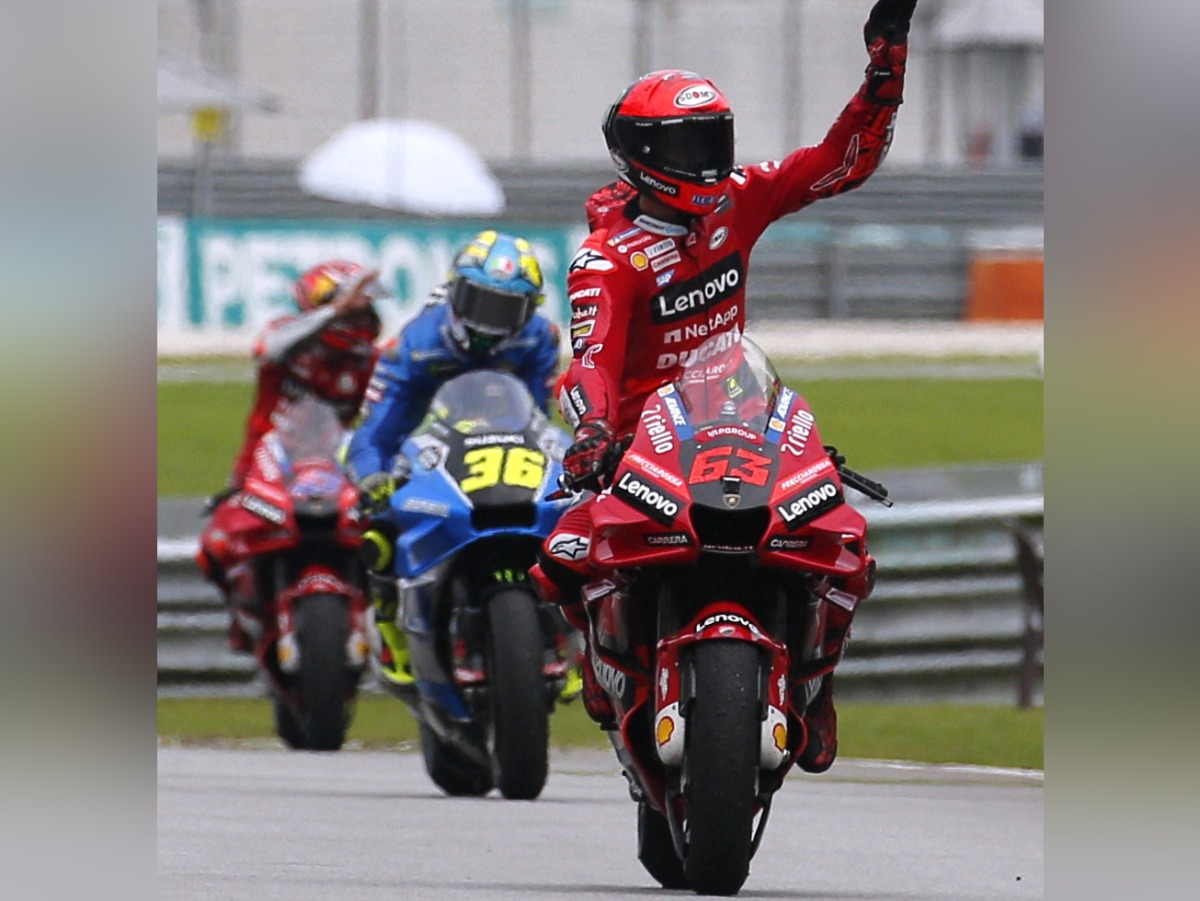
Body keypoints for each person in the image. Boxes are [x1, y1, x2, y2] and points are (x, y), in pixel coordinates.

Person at [531, 0, 919, 773]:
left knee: (841, 537)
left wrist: (886, 64)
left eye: (716, 140)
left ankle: (813, 685)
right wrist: (594, 435)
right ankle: (605, 666)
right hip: (645, 447)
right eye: (689, 144)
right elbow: (591, 364)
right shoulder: (606, 263)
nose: (710, 161)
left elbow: (843, 161)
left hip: (741, 418)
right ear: (640, 156)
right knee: (564, 550)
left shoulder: (739, 199)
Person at [346, 229, 564, 688]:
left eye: (505, 309)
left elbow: (541, 417)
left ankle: (579, 633)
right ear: (454, 292)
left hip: (507, 444)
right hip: (431, 444)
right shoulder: (414, 344)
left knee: (577, 516)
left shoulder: (540, 339)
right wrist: (372, 480)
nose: (489, 322)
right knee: (379, 525)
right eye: (478, 301)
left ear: (530, 309)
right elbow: (376, 432)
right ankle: (391, 627)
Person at [196, 260, 388, 651]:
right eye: (355, 307)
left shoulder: (370, 361)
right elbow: (268, 350)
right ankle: (245, 616)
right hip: (265, 469)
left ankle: (380, 618)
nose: (363, 315)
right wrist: (334, 311)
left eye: (365, 307)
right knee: (215, 545)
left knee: (394, 530)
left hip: (339, 469)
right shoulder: (285, 338)